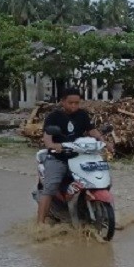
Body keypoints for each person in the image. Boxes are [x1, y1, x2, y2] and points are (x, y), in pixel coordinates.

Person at [36, 87, 114, 224]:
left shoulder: (82, 115)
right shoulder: (54, 116)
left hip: (79, 156)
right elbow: (47, 136)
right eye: (70, 103)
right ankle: (40, 224)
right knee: (50, 187)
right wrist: (53, 145)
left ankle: (103, 215)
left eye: (77, 103)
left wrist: (103, 141)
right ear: (63, 102)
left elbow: (92, 130)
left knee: (100, 179)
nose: (74, 106)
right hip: (58, 157)